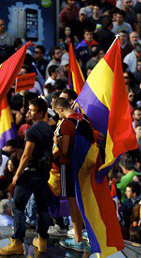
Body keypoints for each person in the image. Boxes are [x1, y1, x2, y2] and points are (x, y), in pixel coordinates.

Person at [0, 98, 54, 255]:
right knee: (43, 207)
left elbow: (25, 155)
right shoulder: (48, 128)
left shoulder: (32, 131)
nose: (28, 112)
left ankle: (17, 243)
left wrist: (17, 174)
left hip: (30, 173)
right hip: (44, 173)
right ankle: (42, 240)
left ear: (41, 112)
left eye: (32, 110)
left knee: (18, 208)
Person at [52, 96, 91, 252]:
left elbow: (65, 150)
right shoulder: (84, 119)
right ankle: (85, 233)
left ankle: (78, 239)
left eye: (57, 112)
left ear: (60, 109)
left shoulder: (66, 124)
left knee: (73, 203)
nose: (57, 116)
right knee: (83, 200)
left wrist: (57, 140)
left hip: (68, 167)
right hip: (84, 166)